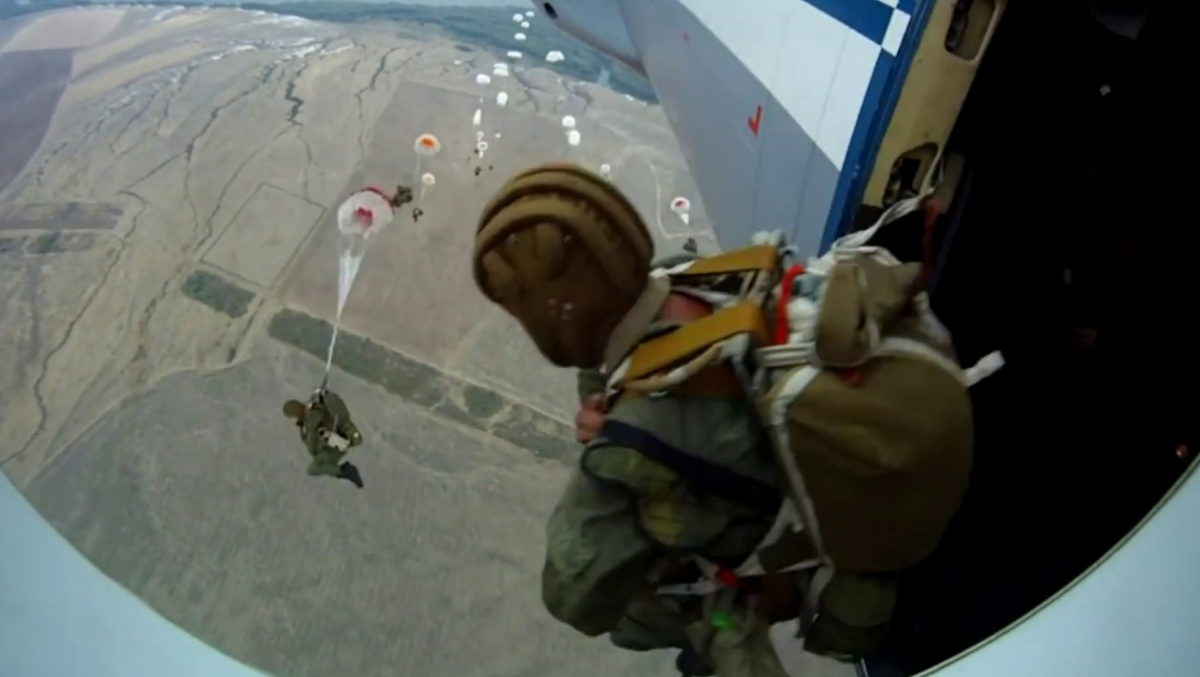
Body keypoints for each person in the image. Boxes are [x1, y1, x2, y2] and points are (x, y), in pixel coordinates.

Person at [472, 164, 972, 677]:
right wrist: (604, 402)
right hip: (893, 440)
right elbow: (619, 359)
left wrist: (608, 454)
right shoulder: (687, 273)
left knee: (635, 612)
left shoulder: (629, 448)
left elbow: (572, 598)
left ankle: (731, 626)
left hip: (855, 568)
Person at [282, 388, 365, 489]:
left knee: (314, 468)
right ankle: (344, 471)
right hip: (325, 448)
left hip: (333, 446)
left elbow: (314, 436)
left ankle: (345, 472)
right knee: (314, 468)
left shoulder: (313, 414)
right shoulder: (306, 420)